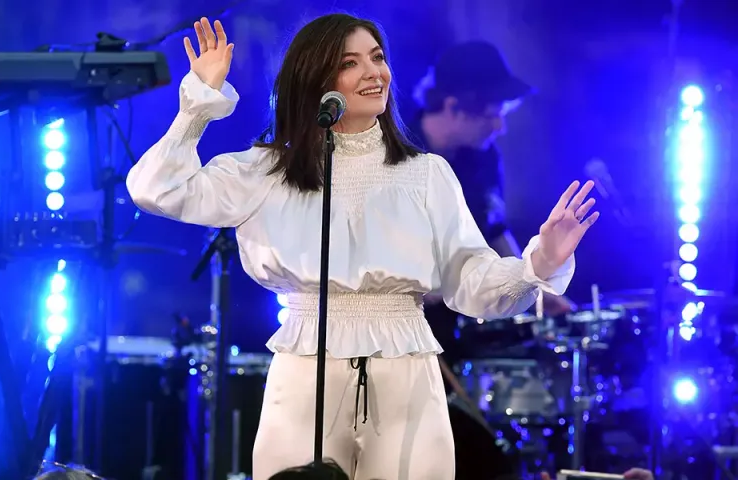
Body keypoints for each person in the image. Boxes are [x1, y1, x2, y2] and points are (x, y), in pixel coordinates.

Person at [126, 12, 598, 480]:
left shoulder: (425, 173)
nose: (375, 72)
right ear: (316, 78)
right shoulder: (266, 169)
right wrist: (196, 107)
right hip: (305, 364)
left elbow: (470, 283)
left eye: (377, 57)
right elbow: (156, 190)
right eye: (352, 63)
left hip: (407, 371)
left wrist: (540, 262)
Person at [410, 41, 576, 479]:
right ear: (453, 105)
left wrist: (536, 278)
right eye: (491, 112)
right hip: (404, 326)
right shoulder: (398, 149)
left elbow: (496, 225)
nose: (500, 125)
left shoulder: (483, 158)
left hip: (462, 316)